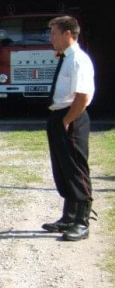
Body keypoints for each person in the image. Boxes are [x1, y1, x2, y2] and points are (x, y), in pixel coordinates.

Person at [41, 16, 95, 241]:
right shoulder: (65, 57)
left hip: (71, 116)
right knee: (63, 167)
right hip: (59, 115)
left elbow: (82, 96)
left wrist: (67, 120)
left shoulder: (78, 60)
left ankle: (82, 222)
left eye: (54, 33)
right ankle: (69, 216)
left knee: (75, 168)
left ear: (68, 34)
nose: (50, 37)